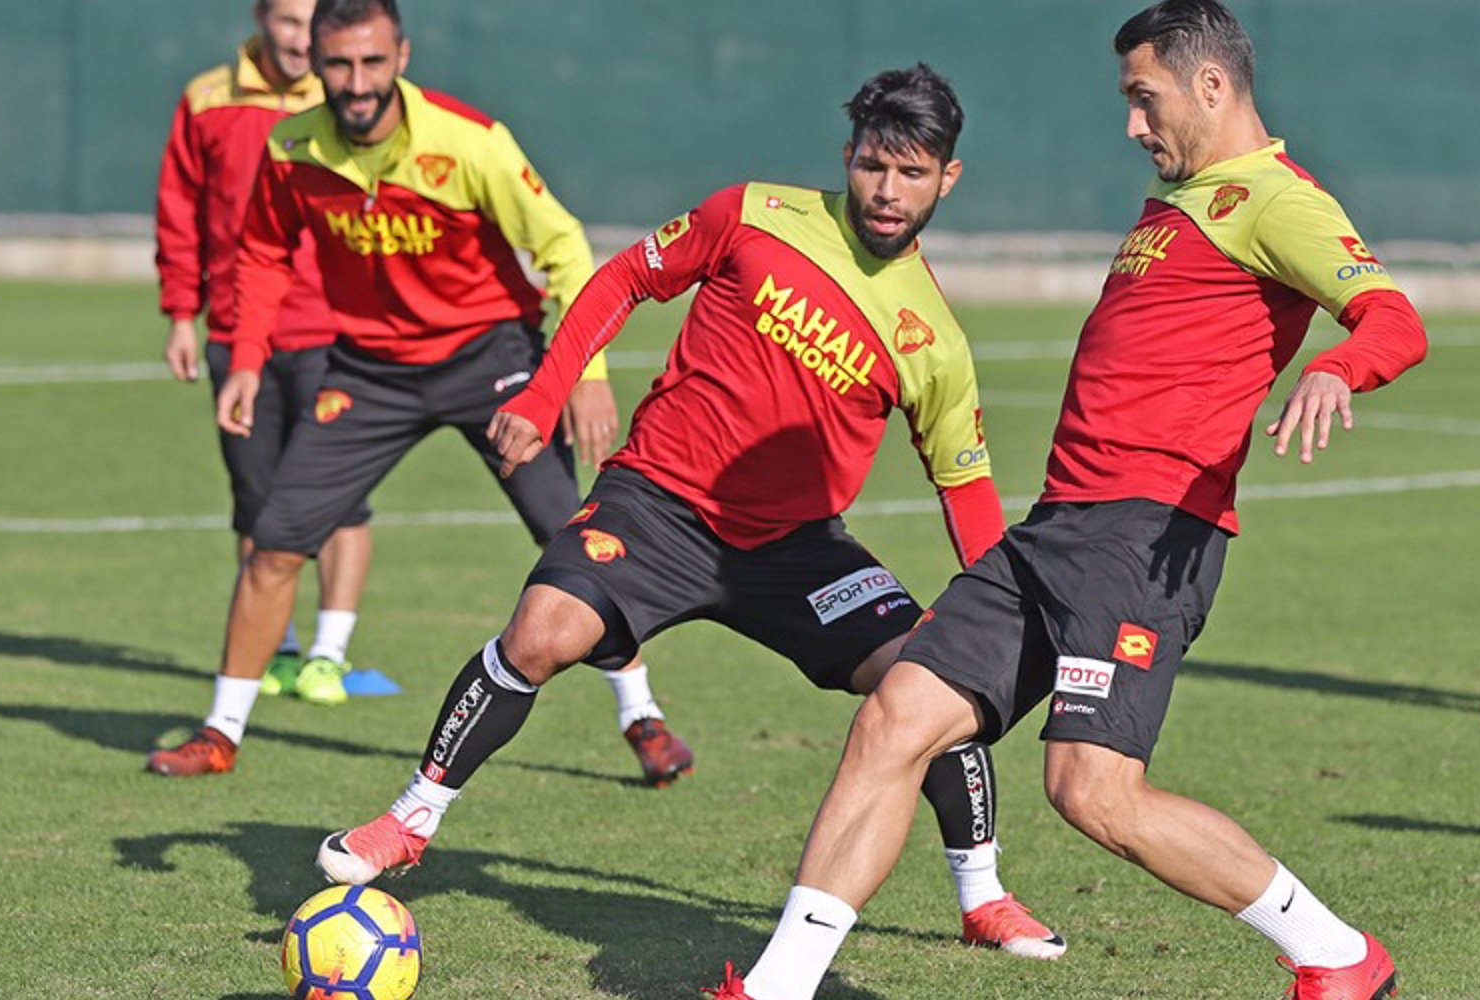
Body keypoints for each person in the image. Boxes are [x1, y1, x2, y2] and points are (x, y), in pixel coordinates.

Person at [709, 3, 1429, 998]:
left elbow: (1392, 317)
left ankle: (1338, 954)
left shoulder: (1275, 199)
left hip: (1144, 537)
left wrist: (1339, 368)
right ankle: (777, 986)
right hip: (1056, 528)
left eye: (1144, 98)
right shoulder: (1182, 195)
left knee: (1093, 790)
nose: (1132, 124)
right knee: (894, 718)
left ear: (1209, 86)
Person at [314, 63, 1068, 960]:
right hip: (655, 507)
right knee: (541, 631)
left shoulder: (932, 336)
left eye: (913, 173)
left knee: (926, 676)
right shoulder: (753, 214)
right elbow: (621, 280)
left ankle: (983, 895)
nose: (888, 191)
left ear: (948, 178)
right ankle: (410, 819)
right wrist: (547, 393)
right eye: (874, 165)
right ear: (848, 156)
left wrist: (987, 621)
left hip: (797, 552)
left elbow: (965, 486)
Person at [147, 0, 692, 787]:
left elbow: (564, 247)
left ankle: (641, 715)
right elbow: (263, 253)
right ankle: (219, 733)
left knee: (571, 541)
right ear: (316, 64)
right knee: (274, 544)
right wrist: (247, 359)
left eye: (372, 62)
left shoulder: (468, 141)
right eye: (339, 64)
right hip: (368, 371)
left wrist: (585, 375)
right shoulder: (293, 147)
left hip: (491, 359)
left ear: (401, 56)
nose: (356, 82)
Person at [155, 0, 375, 706]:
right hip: (235, 335)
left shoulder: (352, 98)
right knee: (256, 503)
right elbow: (180, 212)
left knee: (344, 502)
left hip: (334, 333)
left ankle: (327, 655)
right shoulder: (207, 98)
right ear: (260, 18)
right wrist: (181, 313)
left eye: (311, 22)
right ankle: (274, 648)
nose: (300, 38)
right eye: (286, 20)